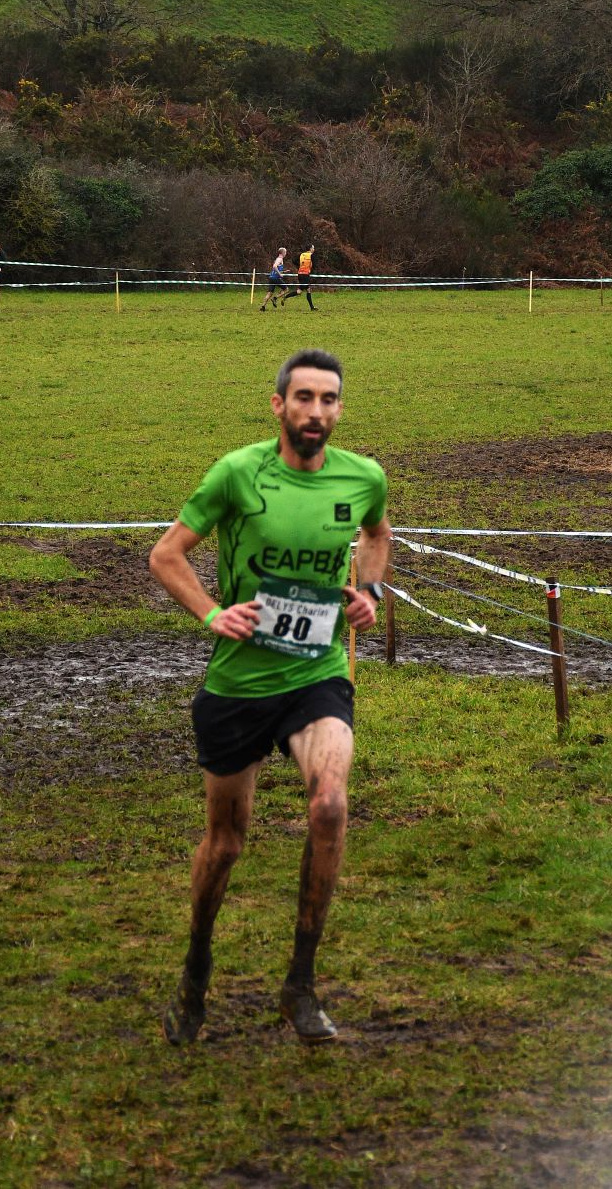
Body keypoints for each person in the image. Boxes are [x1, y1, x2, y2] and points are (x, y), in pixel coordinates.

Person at [149, 349, 391, 1045]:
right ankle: (196, 967)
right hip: (239, 684)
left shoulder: (363, 477)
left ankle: (300, 985)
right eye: (304, 398)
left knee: (331, 806)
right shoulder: (237, 473)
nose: (317, 411)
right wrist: (210, 612)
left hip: (317, 675)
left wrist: (369, 592)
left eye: (329, 399)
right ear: (279, 405)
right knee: (226, 844)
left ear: (339, 409)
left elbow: (377, 534)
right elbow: (166, 555)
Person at [283, 244, 317, 310]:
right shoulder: (311, 255)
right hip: (305, 275)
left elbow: (294, 261)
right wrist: (311, 270)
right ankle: (285, 297)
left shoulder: (301, 254)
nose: (313, 249)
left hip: (300, 274)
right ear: (310, 249)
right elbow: (314, 265)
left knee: (308, 290)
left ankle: (312, 307)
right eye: (313, 248)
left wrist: (300, 266)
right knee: (299, 291)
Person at [258, 247, 288, 312]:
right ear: (282, 253)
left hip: (271, 277)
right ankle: (275, 298)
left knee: (269, 293)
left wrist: (283, 271)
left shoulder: (277, 259)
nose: (286, 253)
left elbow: (276, 269)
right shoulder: (280, 259)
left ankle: (262, 307)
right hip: (276, 278)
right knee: (286, 289)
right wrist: (280, 274)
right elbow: (274, 266)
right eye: (285, 252)